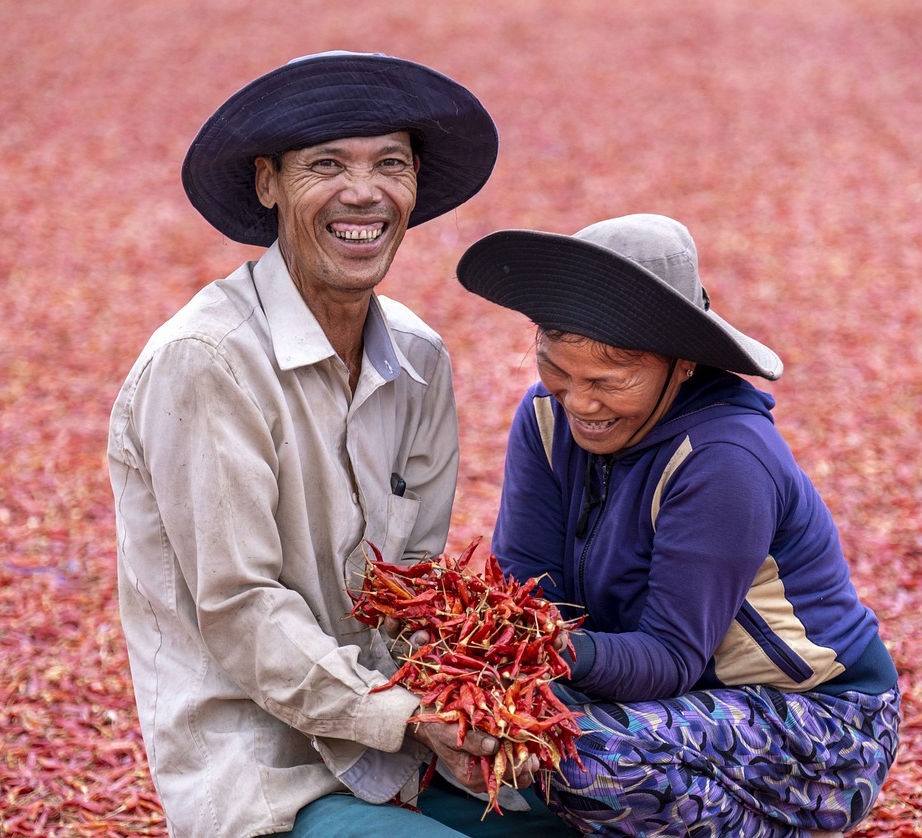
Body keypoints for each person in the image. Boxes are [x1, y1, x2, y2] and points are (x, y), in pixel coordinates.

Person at [108, 51, 574, 838]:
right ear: (268, 184)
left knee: (602, 821)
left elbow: (415, 585)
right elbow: (242, 609)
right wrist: (409, 717)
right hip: (266, 774)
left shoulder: (419, 362)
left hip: (404, 752)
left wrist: (470, 709)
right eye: (327, 165)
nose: (364, 192)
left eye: (390, 164)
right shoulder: (209, 363)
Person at [456, 214, 903, 837]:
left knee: (576, 755)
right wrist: (498, 654)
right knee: (469, 723)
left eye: (608, 383)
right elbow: (529, 588)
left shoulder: (725, 460)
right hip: (643, 694)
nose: (580, 403)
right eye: (558, 370)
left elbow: (670, 658)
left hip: (818, 723)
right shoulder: (544, 419)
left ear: (683, 364)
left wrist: (549, 652)